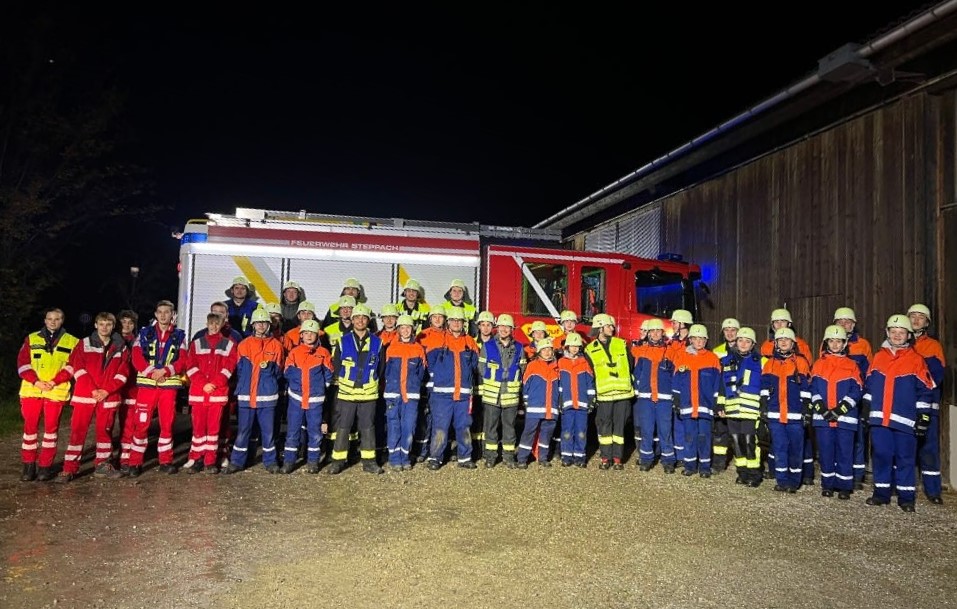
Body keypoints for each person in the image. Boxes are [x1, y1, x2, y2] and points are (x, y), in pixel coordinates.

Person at [863, 314, 935, 512]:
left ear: (908, 336)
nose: (896, 335)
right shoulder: (878, 357)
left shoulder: (916, 360)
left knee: (905, 458)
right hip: (880, 420)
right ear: (887, 333)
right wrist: (866, 409)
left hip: (905, 421)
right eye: (893, 332)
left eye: (901, 332)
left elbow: (925, 392)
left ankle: (906, 498)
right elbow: (869, 388)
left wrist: (924, 417)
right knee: (882, 455)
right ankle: (881, 494)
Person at [56, 312, 128, 482]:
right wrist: (93, 390)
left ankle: (102, 465)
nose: (105, 327)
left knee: (104, 433)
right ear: (95, 325)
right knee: (77, 432)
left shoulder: (121, 347)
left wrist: (106, 391)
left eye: (108, 324)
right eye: (101, 324)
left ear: (113, 326)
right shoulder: (84, 344)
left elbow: (123, 373)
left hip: (108, 397)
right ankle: (69, 469)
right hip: (85, 396)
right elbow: (78, 368)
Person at [17, 308, 79, 482]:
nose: (53, 321)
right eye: (50, 318)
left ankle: (45, 467)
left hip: (55, 390)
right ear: (45, 320)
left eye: (57, 319)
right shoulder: (31, 338)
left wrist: (54, 382)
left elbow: (71, 366)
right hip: (32, 390)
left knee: (51, 432)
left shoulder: (72, 341)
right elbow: (22, 364)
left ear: (62, 320)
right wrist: (36, 381)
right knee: (30, 431)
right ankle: (28, 467)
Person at [128, 300, 188, 476]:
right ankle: (135, 463)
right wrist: (151, 372)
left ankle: (165, 461)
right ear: (155, 314)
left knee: (167, 425)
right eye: (160, 312)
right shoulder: (144, 333)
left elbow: (183, 359)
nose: (163, 315)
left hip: (168, 387)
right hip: (147, 386)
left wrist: (165, 371)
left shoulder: (180, 336)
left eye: (167, 312)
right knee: (141, 424)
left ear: (172, 315)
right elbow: (136, 357)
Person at [224, 307, 284, 474]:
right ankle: (237, 462)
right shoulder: (244, 345)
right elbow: (240, 370)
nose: (261, 326)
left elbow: (279, 371)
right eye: (258, 323)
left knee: (268, 432)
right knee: (243, 431)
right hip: (246, 396)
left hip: (267, 397)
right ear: (252, 325)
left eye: (264, 323)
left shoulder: (276, 346)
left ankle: (270, 462)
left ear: (269, 325)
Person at [327, 304, 385, 475]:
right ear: (352, 320)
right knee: (343, 428)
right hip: (346, 393)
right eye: (357, 317)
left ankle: (369, 462)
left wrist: (371, 380)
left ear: (368, 320)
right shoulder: (343, 341)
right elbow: (336, 365)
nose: (360, 320)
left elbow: (381, 367)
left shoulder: (378, 342)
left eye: (364, 318)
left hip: (369, 393)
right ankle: (338, 461)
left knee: (368, 428)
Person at [809, 325, 863, 500]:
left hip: (845, 418)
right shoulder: (818, 364)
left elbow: (857, 390)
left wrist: (840, 410)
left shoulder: (852, 365)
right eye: (831, 341)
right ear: (826, 343)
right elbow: (813, 389)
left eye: (838, 341)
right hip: (823, 419)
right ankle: (828, 485)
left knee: (845, 452)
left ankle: (844, 486)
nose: (834, 344)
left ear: (844, 343)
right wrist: (822, 409)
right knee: (826, 452)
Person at [182, 313, 239, 474]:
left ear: (222, 324)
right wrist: (203, 383)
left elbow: (229, 368)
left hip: (217, 393)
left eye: (217, 323)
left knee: (214, 429)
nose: (214, 326)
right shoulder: (197, 343)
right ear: (207, 323)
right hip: (199, 392)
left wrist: (214, 384)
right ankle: (197, 459)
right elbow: (190, 366)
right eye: (211, 323)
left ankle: (210, 461)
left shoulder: (229, 344)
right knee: (198, 429)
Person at [426, 306, 479, 470]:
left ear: (464, 323)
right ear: (448, 322)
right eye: (453, 320)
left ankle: (465, 457)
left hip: (463, 395)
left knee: (464, 426)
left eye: (459, 320)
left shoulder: (470, 342)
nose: (456, 323)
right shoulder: (438, 340)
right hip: (442, 395)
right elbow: (429, 364)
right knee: (440, 426)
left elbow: (475, 366)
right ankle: (435, 457)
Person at [760, 327, 812, 493]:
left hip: (795, 415)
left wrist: (806, 409)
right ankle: (781, 481)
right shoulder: (769, 364)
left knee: (796, 449)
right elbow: (764, 389)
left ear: (793, 343)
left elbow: (806, 389)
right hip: (776, 415)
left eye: (787, 340)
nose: (783, 342)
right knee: (780, 448)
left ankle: (794, 481)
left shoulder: (801, 363)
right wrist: (763, 407)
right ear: (775, 343)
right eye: (780, 340)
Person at [281, 319, 333, 474]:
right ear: (301, 335)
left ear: (317, 335)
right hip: (296, 399)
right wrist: (298, 387)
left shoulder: (323, 353)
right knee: (293, 431)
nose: (309, 336)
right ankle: (289, 461)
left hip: (315, 401)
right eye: (306, 333)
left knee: (315, 432)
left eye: (312, 333)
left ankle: (313, 461)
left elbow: (329, 374)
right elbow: (287, 372)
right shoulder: (294, 352)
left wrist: (319, 389)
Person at [583, 313, 634, 470]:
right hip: (604, 395)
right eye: (609, 326)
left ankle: (617, 458)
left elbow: (630, 364)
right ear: (600, 328)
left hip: (623, 393)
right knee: (605, 426)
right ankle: (606, 458)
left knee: (619, 427)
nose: (612, 328)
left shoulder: (622, 344)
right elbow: (591, 372)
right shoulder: (589, 350)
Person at [907, 303, 946, 505]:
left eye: (920, 317)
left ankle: (933, 490)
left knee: (929, 449)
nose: (915, 320)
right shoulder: (900, 345)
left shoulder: (932, 346)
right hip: (904, 408)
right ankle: (903, 488)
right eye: (912, 316)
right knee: (905, 448)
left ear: (927, 322)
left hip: (927, 407)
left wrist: (916, 391)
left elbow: (935, 377)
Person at [671, 324, 722, 478]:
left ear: (706, 341)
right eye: (695, 338)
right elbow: (676, 382)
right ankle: (690, 466)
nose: (699, 341)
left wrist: (716, 403)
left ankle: (705, 467)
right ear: (690, 339)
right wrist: (677, 400)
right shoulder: (682, 357)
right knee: (689, 436)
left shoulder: (712, 358)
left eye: (702, 339)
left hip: (705, 407)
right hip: (687, 406)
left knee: (704, 437)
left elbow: (717, 384)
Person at [831, 307, 873, 489]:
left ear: (854, 324)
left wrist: (865, 399)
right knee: (834, 437)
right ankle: (836, 474)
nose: (844, 324)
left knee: (856, 437)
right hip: (833, 397)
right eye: (840, 321)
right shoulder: (829, 342)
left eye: (847, 321)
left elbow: (869, 373)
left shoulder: (863, 345)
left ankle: (856, 475)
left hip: (855, 397)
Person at [717, 327, 764, 481]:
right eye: (741, 340)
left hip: (751, 410)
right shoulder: (726, 360)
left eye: (747, 341)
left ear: (753, 344)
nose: (744, 344)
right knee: (736, 441)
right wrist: (720, 405)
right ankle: (742, 472)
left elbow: (766, 387)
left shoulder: (762, 362)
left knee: (750, 441)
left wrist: (764, 408)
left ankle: (754, 474)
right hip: (732, 409)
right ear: (736, 342)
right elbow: (722, 385)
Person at [480, 313, 526, 468]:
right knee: (490, 427)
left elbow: (523, 369)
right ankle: (491, 456)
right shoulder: (487, 346)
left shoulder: (519, 348)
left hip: (510, 396)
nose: (504, 329)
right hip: (492, 395)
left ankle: (508, 457)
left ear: (512, 329)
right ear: (497, 328)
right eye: (501, 326)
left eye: (507, 327)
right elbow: (481, 368)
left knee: (509, 427)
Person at [383, 315, 427, 471]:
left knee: (409, 426)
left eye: (408, 327)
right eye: (403, 327)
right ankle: (394, 459)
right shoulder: (390, 348)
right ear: (398, 330)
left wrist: (413, 385)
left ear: (413, 329)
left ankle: (405, 457)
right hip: (393, 394)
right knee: (394, 426)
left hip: (411, 395)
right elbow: (386, 371)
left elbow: (422, 372)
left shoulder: (418, 349)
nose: (406, 330)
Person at [632, 318, 676, 473]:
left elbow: (675, 375)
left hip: (664, 398)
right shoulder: (641, 351)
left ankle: (668, 460)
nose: (656, 334)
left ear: (662, 333)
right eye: (652, 331)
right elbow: (636, 373)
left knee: (665, 430)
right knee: (647, 430)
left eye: (658, 331)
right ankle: (646, 459)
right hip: (646, 398)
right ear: (648, 333)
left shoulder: (670, 352)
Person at [517, 340, 560, 468]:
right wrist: (526, 401)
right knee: (528, 433)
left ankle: (542, 457)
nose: (547, 352)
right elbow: (525, 385)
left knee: (546, 434)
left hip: (551, 408)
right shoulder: (532, 366)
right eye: (544, 350)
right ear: (539, 352)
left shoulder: (557, 367)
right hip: (535, 407)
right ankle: (522, 459)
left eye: (549, 349)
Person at [413, 305, 447, 462]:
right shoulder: (422, 336)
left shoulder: (449, 336)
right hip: (426, 384)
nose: (438, 319)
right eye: (435, 316)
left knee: (439, 419)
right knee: (424, 419)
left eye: (441, 316)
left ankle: (436, 451)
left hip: (443, 386)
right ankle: (421, 450)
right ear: (430, 319)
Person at [557, 332, 594, 467]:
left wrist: (591, 400)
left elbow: (590, 383)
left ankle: (580, 456)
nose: (574, 349)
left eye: (577, 346)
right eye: (572, 346)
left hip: (582, 404)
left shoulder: (584, 362)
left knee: (581, 431)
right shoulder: (561, 362)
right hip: (567, 404)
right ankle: (566, 456)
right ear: (566, 347)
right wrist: (559, 400)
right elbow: (559, 384)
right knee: (566, 431)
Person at [711, 317, 741, 470]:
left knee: (738, 433)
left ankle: (741, 463)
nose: (729, 333)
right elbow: (716, 378)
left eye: (733, 330)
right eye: (726, 330)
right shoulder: (717, 352)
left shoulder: (745, 349)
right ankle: (718, 463)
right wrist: (717, 401)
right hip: (722, 397)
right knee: (720, 432)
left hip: (739, 398)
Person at [115, 309, 140, 470]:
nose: (127, 325)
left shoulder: (138, 341)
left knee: (129, 423)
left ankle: (124, 458)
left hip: (131, 388)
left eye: (130, 323)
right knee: (108, 425)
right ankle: (105, 457)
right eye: (124, 322)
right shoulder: (111, 340)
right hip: (113, 388)